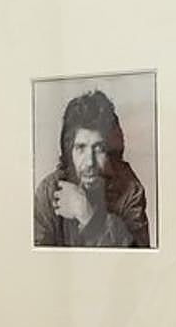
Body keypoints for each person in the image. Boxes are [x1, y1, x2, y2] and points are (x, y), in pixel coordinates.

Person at [33, 89, 151, 248]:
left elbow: (138, 264)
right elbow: (36, 265)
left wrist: (88, 216)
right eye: (81, 148)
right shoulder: (48, 192)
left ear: (111, 152)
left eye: (99, 148)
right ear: (69, 151)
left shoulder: (130, 191)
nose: (89, 162)